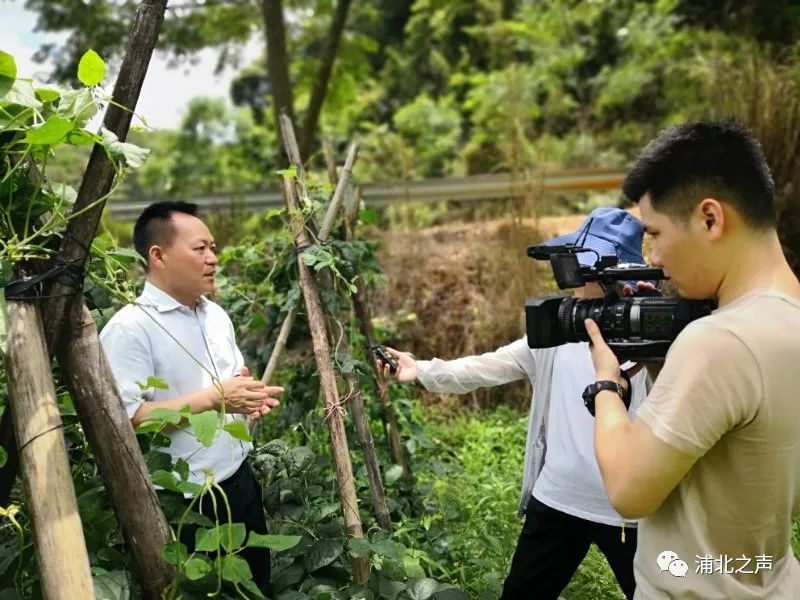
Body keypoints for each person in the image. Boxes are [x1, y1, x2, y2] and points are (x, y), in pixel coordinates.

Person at [382, 207, 649, 600]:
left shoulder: (652, 334)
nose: (570, 275)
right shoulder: (557, 329)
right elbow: (487, 367)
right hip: (557, 499)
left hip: (629, 511)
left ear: (617, 274)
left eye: (581, 266)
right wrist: (419, 370)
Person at [585, 120, 800, 599]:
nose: (654, 257)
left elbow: (627, 490)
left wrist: (606, 386)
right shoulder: (787, 316)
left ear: (710, 219)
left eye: (655, 233)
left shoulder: (719, 341)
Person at [100, 201, 282, 596]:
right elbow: (127, 421)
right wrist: (218, 397)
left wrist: (246, 394)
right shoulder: (129, 329)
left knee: (256, 588)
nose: (213, 258)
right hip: (182, 501)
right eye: (200, 249)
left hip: (238, 479)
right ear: (158, 255)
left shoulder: (214, 314)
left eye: (212, 248)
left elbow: (229, 380)